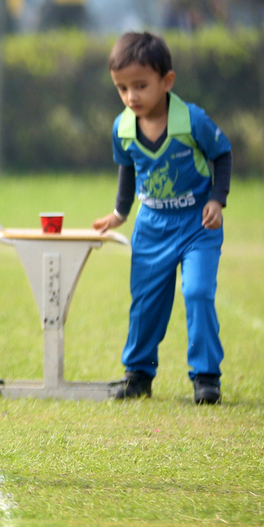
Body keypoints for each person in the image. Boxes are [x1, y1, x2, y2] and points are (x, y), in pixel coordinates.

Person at [93, 31, 232, 405]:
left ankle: (206, 377)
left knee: (198, 292)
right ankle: (138, 374)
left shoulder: (193, 121)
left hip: (197, 225)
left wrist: (217, 200)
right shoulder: (122, 128)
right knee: (146, 301)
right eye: (122, 88)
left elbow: (222, 153)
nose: (131, 97)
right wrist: (120, 213)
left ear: (166, 82)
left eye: (140, 85)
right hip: (151, 227)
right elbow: (128, 170)